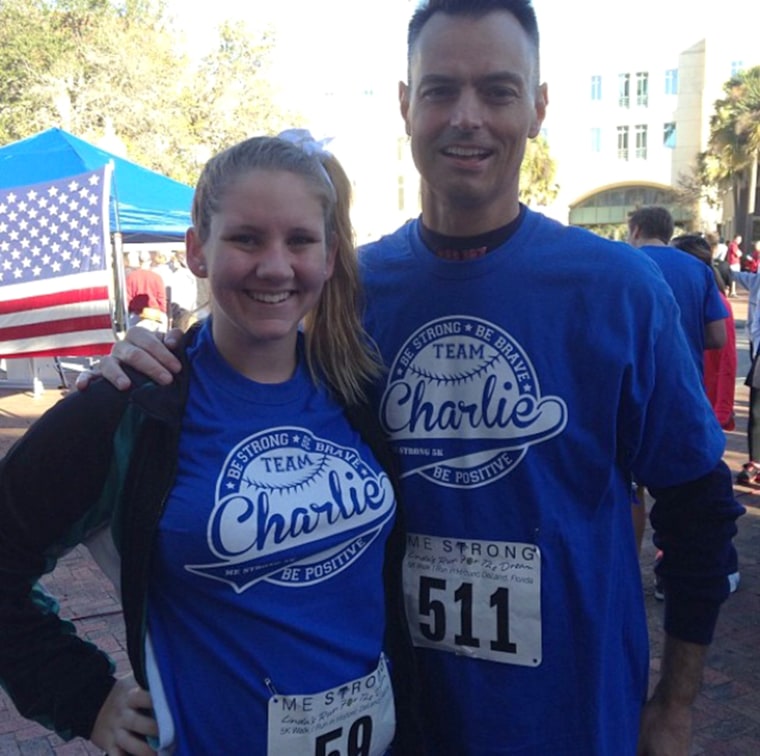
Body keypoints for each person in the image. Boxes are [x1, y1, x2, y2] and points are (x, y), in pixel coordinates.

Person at [83, 1, 744, 753]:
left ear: (538, 106)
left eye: (498, 90)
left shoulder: (619, 290)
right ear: (406, 105)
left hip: (570, 717)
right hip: (399, 722)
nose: (468, 117)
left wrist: (677, 703)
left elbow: (697, 507)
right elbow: (244, 364)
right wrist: (142, 363)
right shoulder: (348, 292)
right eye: (439, 90)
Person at [0, 135, 421, 755]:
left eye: (299, 240)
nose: (275, 266)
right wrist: (84, 697)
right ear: (198, 250)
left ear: (330, 256)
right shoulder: (132, 405)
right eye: (246, 238)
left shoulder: (356, 389)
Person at [125, 248, 168, 331]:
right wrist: (163, 312)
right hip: (155, 315)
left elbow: (128, 299)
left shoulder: (131, 277)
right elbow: (162, 298)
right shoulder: (156, 277)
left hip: (136, 315)